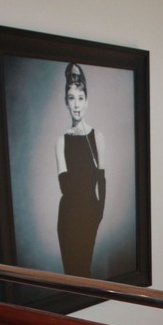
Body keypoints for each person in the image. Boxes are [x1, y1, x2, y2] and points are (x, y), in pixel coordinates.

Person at [54, 62, 106, 277]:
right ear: (66, 102)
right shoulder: (61, 141)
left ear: (87, 100)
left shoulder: (97, 136)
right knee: (71, 276)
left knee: (84, 272)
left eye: (80, 98)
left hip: (89, 214)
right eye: (71, 98)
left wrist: (98, 214)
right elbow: (66, 187)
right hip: (67, 217)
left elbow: (101, 180)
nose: (76, 104)